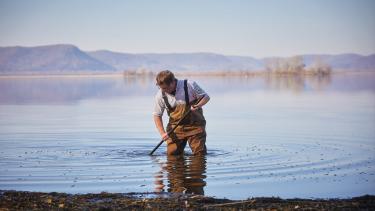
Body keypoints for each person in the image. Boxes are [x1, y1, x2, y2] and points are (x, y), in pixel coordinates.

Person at [153, 70, 210, 155]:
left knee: (199, 155)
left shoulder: (190, 84)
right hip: (175, 129)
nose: (163, 90)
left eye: (165, 88)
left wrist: (198, 105)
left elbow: (206, 97)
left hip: (195, 127)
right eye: (161, 88)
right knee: (172, 155)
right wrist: (163, 133)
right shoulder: (160, 95)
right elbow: (157, 115)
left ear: (172, 82)